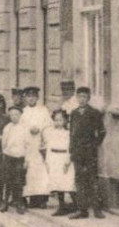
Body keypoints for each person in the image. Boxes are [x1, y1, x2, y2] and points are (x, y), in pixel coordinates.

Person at [68, 87, 106, 219]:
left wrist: (94, 145)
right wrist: (71, 150)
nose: (82, 99)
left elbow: (101, 132)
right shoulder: (74, 113)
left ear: (88, 98)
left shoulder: (94, 113)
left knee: (92, 179)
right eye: (79, 97)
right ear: (76, 98)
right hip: (77, 152)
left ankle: (97, 209)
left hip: (90, 152)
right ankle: (82, 210)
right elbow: (71, 134)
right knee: (79, 180)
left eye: (84, 97)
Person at [44, 109, 75, 216]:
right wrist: (47, 161)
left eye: (61, 120)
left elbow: (70, 148)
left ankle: (75, 205)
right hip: (54, 158)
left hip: (64, 158)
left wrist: (68, 160)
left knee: (68, 182)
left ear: (65, 121)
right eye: (56, 120)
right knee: (57, 182)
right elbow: (49, 147)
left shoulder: (68, 133)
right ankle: (62, 206)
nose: (58, 122)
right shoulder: (51, 133)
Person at [0, 106, 27, 213]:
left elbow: (28, 145)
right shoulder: (7, 127)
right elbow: (4, 143)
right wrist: (5, 153)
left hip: (20, 157)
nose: (14, 117)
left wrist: (26, 160)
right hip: (9, 157)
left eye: (16, 114)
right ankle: (5, 202)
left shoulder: (25, 128)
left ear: (20, 115)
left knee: (19, 181)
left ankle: (19, 203)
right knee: (7, 180)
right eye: (11, 115)